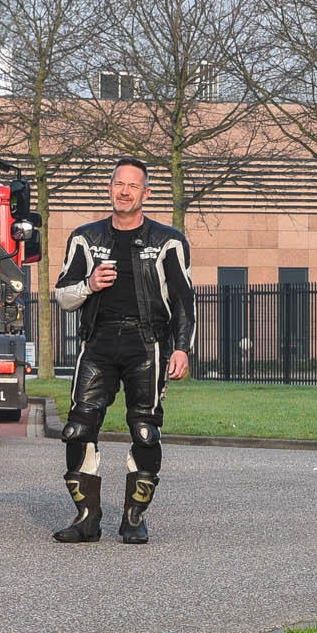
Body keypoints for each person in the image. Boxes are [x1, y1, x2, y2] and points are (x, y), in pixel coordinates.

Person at [47, 158, 193, 543]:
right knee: (78, 428)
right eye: (118, 184)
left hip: (148, 343)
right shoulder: (85, 238)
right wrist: (90, 284)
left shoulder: (168, 241)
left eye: (133, 186)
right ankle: (86, 518)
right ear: (109, 188)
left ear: (146, 193)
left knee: (145, 430)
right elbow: (62, 295)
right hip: (98, 343)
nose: (124, 191)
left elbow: (183, 300)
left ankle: (133, 518)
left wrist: (182, 349)